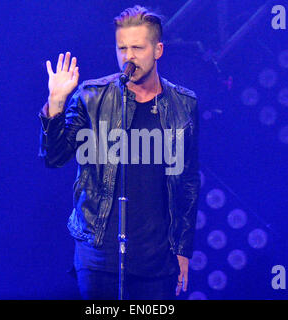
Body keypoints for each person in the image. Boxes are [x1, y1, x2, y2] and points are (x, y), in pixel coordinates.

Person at [38, 5, 200, 300]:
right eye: (122, 48)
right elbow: (54, 157)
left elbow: (187, 182)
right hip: (99, 256)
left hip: (156, 259)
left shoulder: (183, 104)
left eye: (137, 47)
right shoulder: (91, 96)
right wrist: (56, 104)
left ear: (158, 50)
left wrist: (182, 249)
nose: (129, 57)